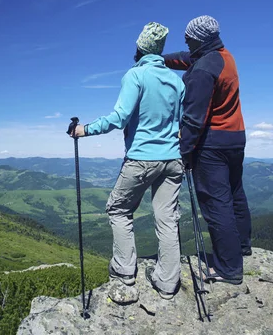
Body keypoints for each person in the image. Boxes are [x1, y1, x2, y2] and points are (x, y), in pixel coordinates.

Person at [70, 22, 185, 299]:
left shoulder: (135, 75)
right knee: (167, 219)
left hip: (142, 158)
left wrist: (84, 129)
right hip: (173, 159)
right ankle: (168, 283)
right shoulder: (177, 81)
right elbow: (180, 123)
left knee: (118, 209)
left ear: (140, 47)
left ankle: (124, 270)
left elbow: (119, 117)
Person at [162, 15, 252, 285]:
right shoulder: (223, 57)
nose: (186, 44)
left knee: (216, 204)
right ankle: (242, 246)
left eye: (188, 39)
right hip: (235, 137)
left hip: (212, 142)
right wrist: (159, 58)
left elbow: (193, 117)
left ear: (198, 39)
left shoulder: (202, 70)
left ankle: (228, 268)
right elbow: (184, 58)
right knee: (235, 192)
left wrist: (185, 151)